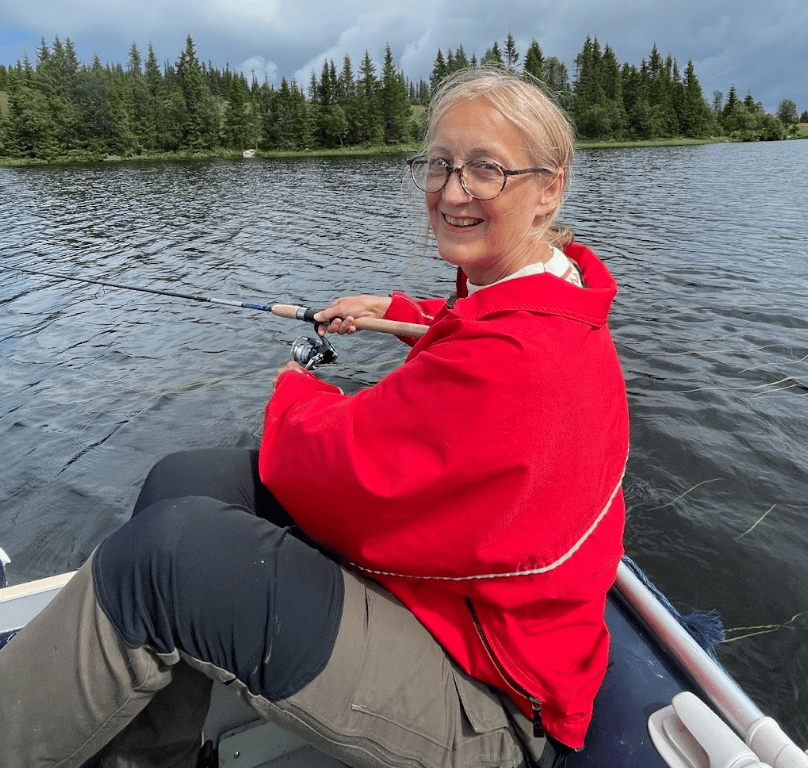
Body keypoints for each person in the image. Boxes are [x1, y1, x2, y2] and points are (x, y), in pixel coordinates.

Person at [0, 68, 628, 768]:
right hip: (461, 614)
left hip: (490, 698)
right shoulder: (554, 294)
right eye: (441, 164)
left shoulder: (522, 358)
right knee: (185, 478)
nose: (452, 191)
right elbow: (475, 325)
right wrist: (401, 315)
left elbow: (339, 471)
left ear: (549, 186)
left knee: (160, 561)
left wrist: (294, 387)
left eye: (486, 168)